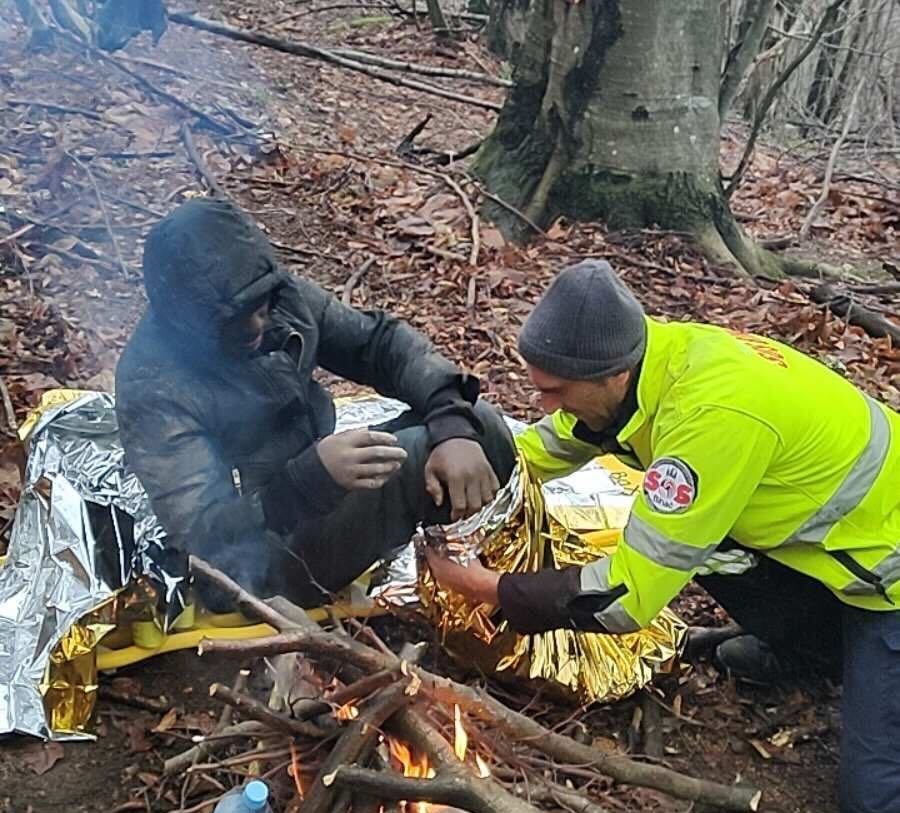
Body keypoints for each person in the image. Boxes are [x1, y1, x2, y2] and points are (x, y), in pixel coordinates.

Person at [426, 259, 900, 813]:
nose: (545, 406)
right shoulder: (652, 361)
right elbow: (551, 443)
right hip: (835, 545)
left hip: (886, 582)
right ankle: (811, 647)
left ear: (613, 375)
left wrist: (483, 586)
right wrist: (473, 465)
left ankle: (840, 651)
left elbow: (625, 596)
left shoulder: (709, 418)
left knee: (871, 798)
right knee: (710, 548)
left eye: (556, 392)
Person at [116, 197, 515, 611]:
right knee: (418, 453)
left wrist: (451, 420)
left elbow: (378, 345)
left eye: (260, 308)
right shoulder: (155, 384)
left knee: (475, 426)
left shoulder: (277, 299)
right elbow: (205, 534)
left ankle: (483, 584)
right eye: (235, 320)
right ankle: (475, 603)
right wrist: (312, 478)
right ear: (190, 324)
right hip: (250, 566)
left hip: (314, 497)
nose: (257, 325)